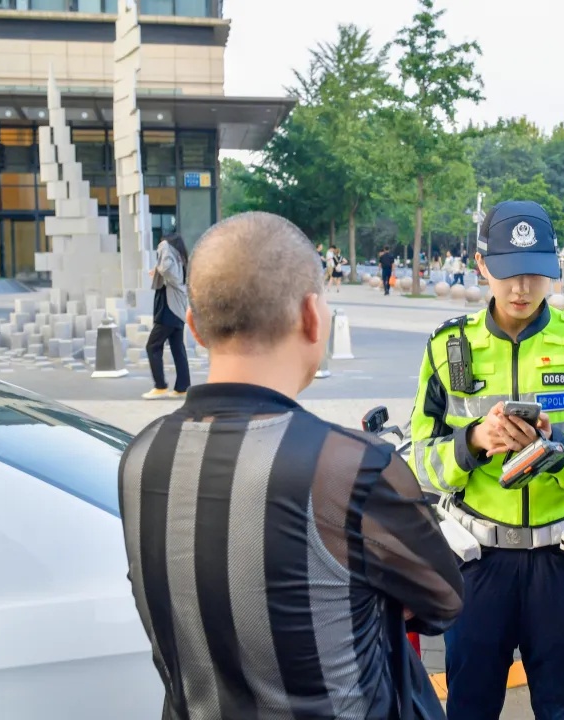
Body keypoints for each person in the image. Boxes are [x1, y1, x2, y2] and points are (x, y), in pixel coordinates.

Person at [119, 211, 463, 720]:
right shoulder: (351, 468)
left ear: (192, 326)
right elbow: (444, 599)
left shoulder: (141, 456)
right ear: (311, 316)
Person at [408, 200, 564, 720]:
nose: (522, 288)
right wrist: (473, 441)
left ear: (555, 268)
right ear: (481, 265)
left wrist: (560, 453)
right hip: (478, 563)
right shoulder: (448, 346)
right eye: (508, 272)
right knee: (470, 706)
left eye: (535, 273)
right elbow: (420, 459)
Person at [142, 233, 191, 400]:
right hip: (176, 307)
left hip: (169, 308)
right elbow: (168, 272)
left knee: (153, 346)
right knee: (177, 348)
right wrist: (157, 271)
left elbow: (166, 269)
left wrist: (163, 248)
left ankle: (160, 386)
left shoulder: (167, 250)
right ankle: (183, 387)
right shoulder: (181, 258)